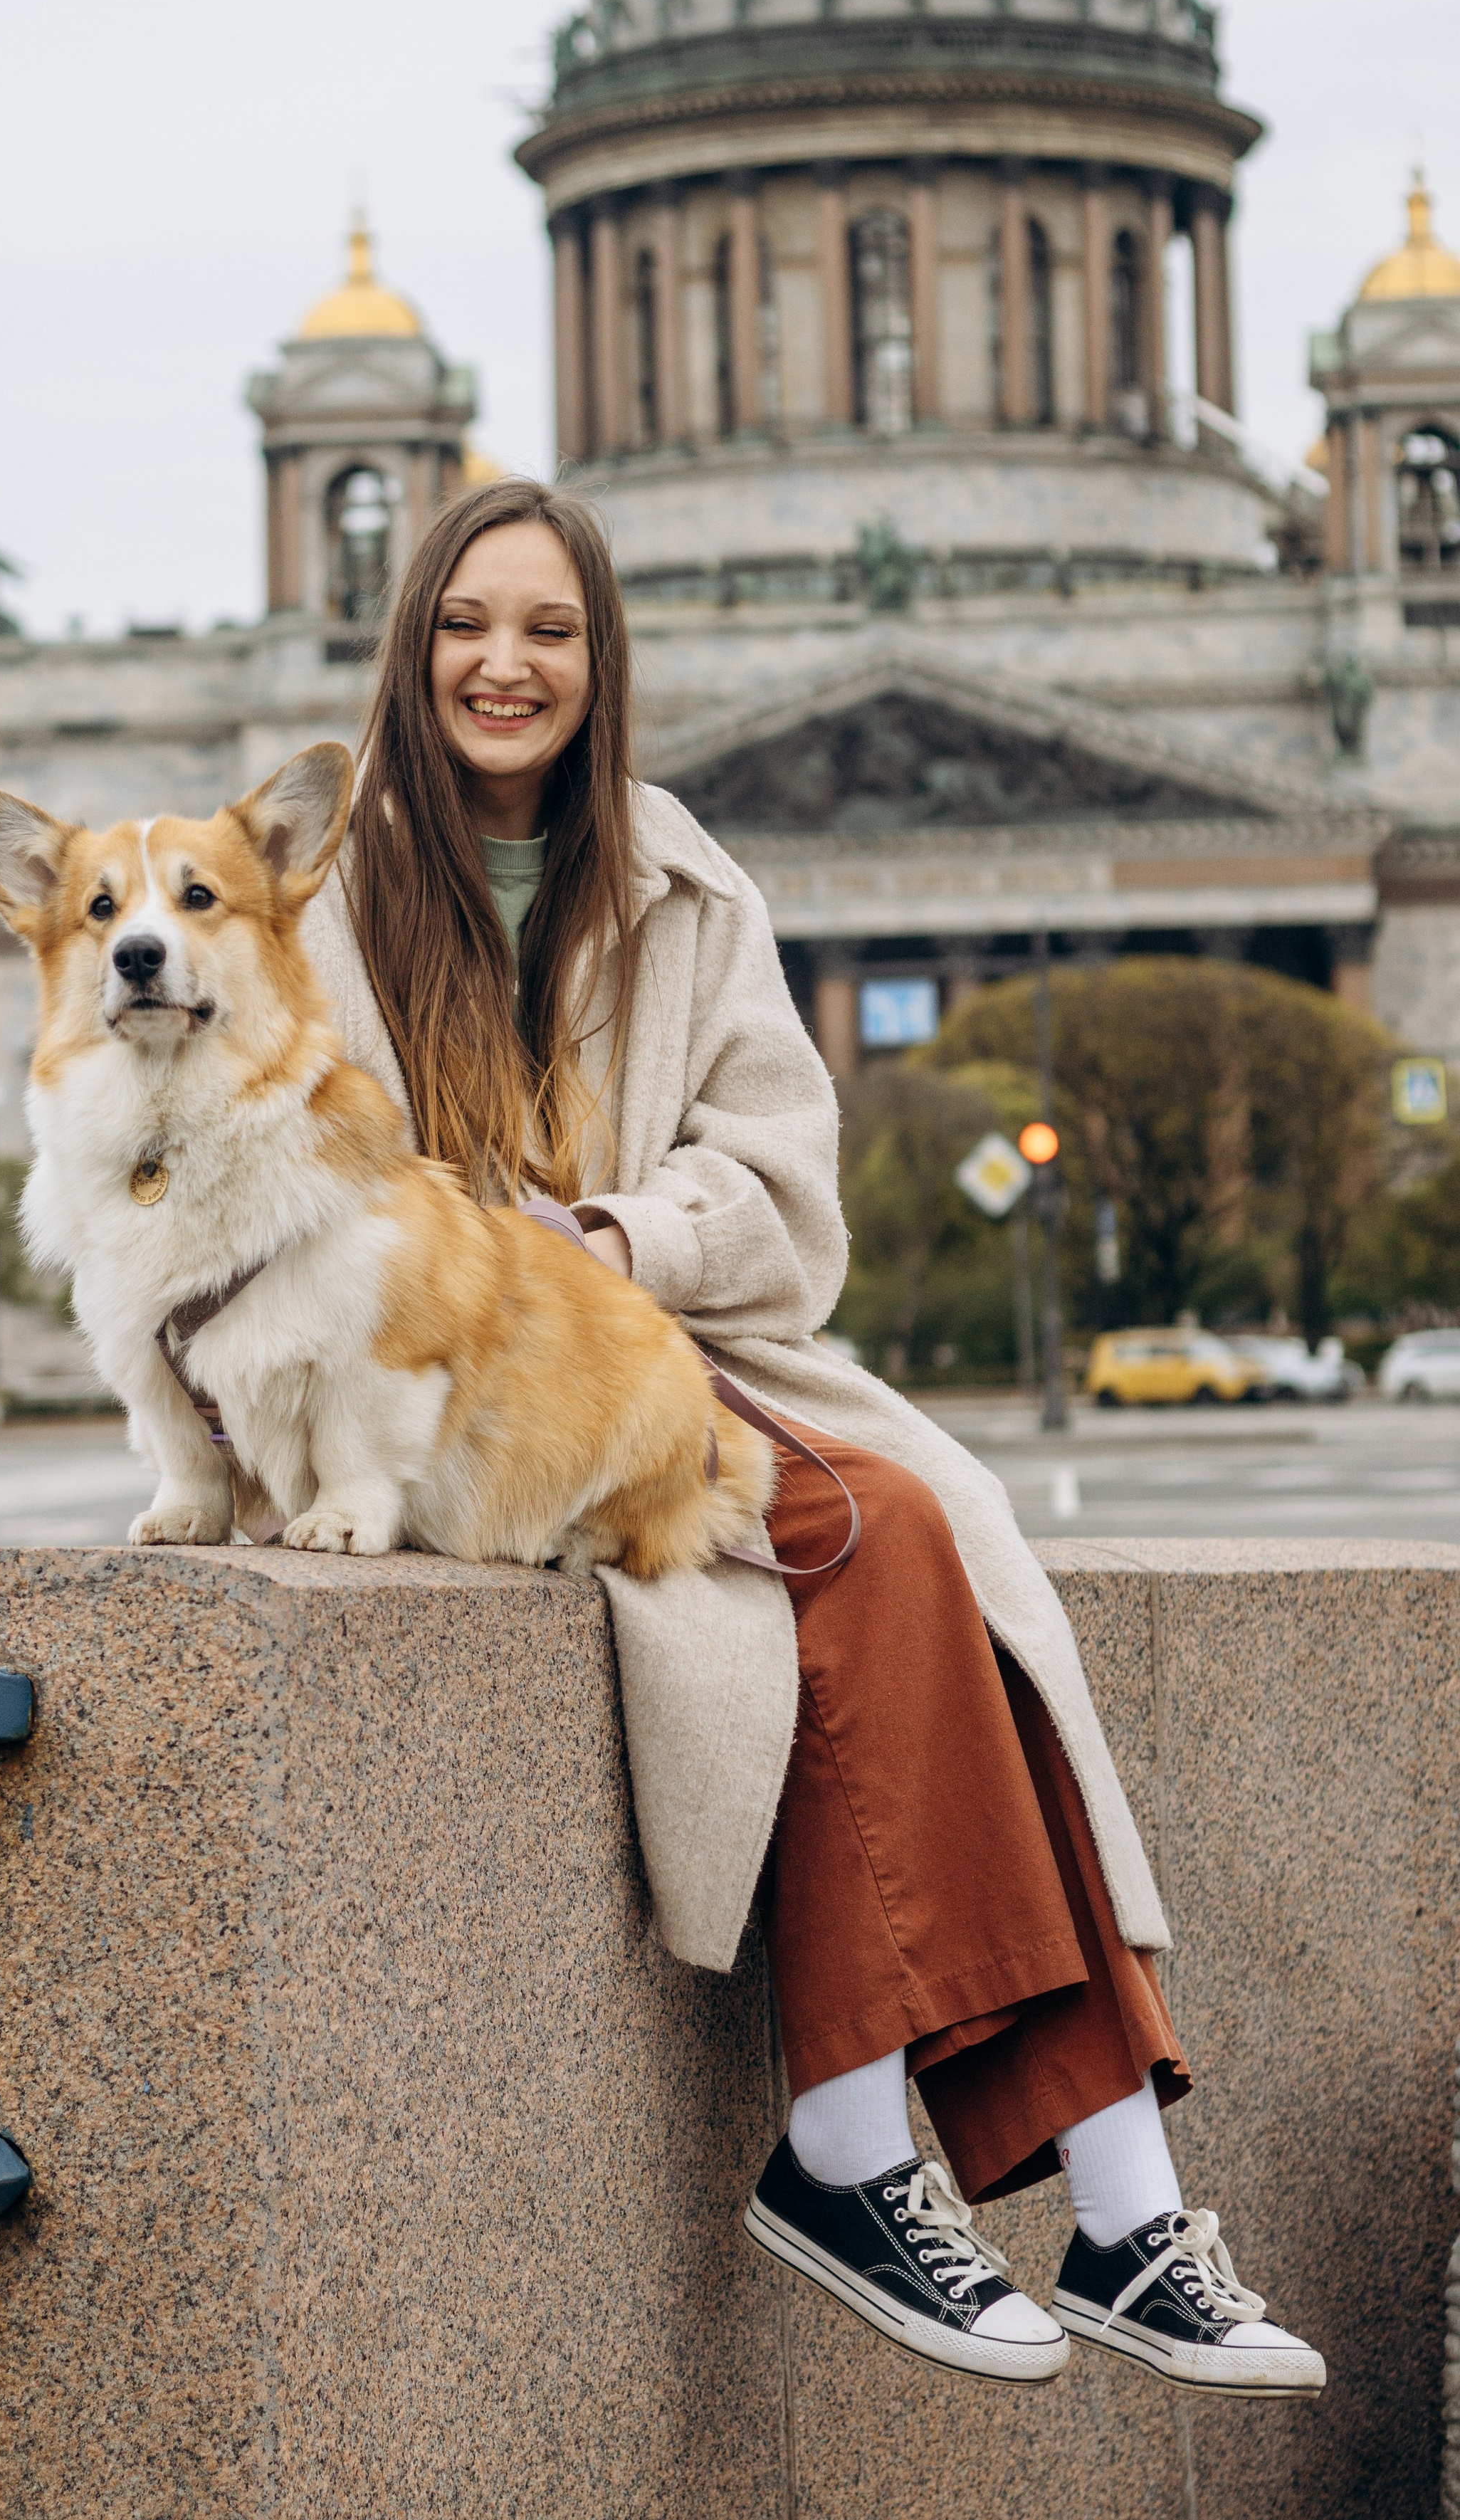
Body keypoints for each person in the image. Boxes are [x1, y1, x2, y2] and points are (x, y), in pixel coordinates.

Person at [301, 476, 1323, 2400]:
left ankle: (1111, 2203)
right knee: (877, 1536)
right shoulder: (314, 892)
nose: (505, 663)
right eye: (466, 624)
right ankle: (883, 2157)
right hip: (466, 1403)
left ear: (606, 663)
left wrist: (608, 1232)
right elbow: (273, 1173)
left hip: (669, 1346)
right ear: (408, 643)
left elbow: (781, 1181)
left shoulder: (684, 874)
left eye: (551, 629)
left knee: (953, 1556)